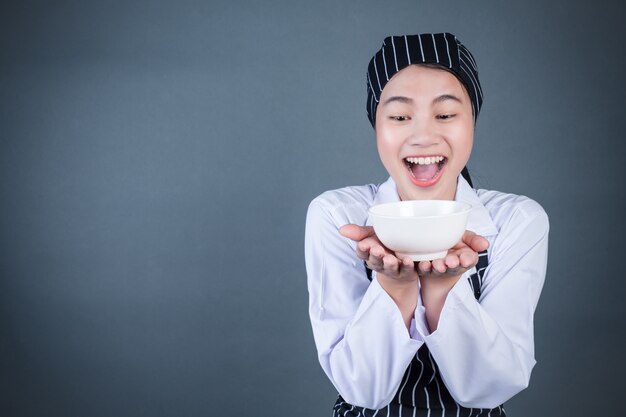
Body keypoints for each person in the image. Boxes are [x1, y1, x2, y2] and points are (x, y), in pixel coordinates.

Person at [304, 33, 549, 417]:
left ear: (472, 121)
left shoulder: (516, 220)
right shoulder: (338, 215)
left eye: (446, 114)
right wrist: (393, 286)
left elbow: (489, 388)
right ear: (376, 125)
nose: (422, 136)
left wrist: (444, 289)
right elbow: (362, 389)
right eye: (400, 116)